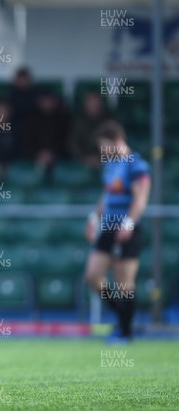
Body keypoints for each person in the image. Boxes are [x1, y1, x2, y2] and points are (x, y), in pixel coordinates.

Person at [84, 120, 150, 344]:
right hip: (108, 227)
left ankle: (126, 330)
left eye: (104, 145)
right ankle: (122, 318)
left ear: (116, 141)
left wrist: (129, 222)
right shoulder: (111, 165)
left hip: (127, 228)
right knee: (93, 276)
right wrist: (95, 217)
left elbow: (141, 197)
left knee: (124, 282)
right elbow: (106, 196)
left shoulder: (135, 165)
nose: (102, 150)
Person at [21, 88, 71, 176]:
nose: (47, 103)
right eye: (44, 100)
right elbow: (26, 141)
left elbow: (66, 141)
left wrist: (53, 154)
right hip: (34, 158)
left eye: (50, 100)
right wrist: (38, 154)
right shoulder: (30, 119)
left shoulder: (63, 119)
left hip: (59, 158)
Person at [69, 92, 113, 168]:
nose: (94, 105)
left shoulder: (109, 121)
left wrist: (100, 159)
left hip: (105, 162)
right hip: (82, 161)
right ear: (85, 104)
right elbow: (73, 145)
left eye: (97, 102)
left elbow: (115, 143)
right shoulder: (78, 122)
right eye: (91, 102)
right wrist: (85, 158)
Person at [8, 67, 37, 160]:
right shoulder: (10, 96)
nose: (23, 82)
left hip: (32, 129)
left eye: (25, 79)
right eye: (20, 79)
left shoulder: (35, 96)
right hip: (14, 130)